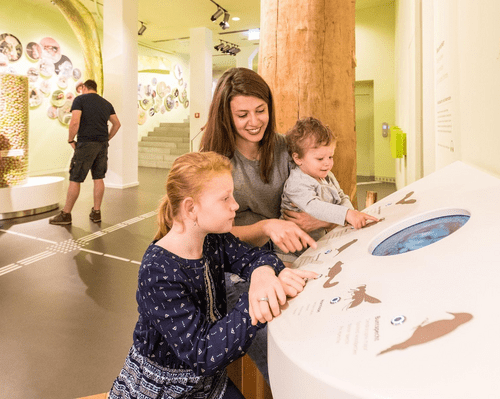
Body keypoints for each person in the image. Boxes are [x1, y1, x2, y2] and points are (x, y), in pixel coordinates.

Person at [109, 152, 316, 399]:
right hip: (166, 392)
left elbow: (256, 257)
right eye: (225, 198)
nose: (235, 205)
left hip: (209, 384)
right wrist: (257, 301)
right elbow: (203, 353)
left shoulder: (213, 240)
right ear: (190, 208)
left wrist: (263, 276)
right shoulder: (158, 271)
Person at [199, 67, 333, 383]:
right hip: (238, 266)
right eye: (242, 114)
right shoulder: (212, 162)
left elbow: (335, 199)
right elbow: (211, 236)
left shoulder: (288, 148)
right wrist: (267, 227)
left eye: (260, 110)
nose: (254, 121)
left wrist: (317, 218)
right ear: (225, 117)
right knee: (274, 334)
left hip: (293, 257)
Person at [279, 117, 378, 260]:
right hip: (290, 251)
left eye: (330, 157)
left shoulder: (327, 176)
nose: (327, 163)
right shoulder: (297, 182)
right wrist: (346, 214)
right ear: (298, 159)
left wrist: (351, 214)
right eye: (320, 159)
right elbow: (313, 206)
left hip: (317, 244)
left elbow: (341, 196)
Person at [49, 79, 121, 225]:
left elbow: (75, 122)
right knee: (98, 177)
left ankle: (66, 214)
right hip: (102, 145)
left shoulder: (80, 100)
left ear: (83, 87)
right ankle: (96, 212)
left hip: (86, 143)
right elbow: (117, 124)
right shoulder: (106, 103)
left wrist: (70, 140)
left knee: (75, 178)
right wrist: (107, 138)